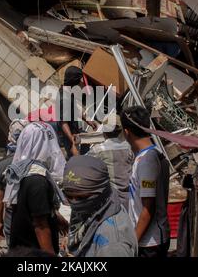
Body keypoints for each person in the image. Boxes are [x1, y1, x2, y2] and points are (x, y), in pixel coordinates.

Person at [4, 122, 69, 255]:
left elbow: (33, 208)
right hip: (32, 251)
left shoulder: (25, 170)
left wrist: (54, 216)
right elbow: (40, 225)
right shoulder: (37, 180)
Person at [62, 155, 138, 257]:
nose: (74, 203)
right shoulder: (98, 207)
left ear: (101, 192)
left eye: (82, 198)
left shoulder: (112, 244)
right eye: (69, 196)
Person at [120, 106, 170, 258]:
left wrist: (132, 243)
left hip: (150, 243)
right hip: (150, 239)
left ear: (126, 132)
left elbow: (148, 209)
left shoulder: (147, 162)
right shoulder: (149, 155)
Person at [0, 119, 29, 246]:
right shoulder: (38, 162)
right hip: (35, 217)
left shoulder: (1, 165)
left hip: (12, 219)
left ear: (10, 136)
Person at [87, 114, 134, 208]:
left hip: (111, 198)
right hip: (130, 195)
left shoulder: (98, 150)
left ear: (104, 131)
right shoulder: (129, 147)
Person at [56, 66, 96, 157]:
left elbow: (74, 109)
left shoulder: (69, 92)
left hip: (75, 131)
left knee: (86, 150)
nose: (81, 82)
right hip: (68, 137)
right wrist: (72, 139)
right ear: (74, 81)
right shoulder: (64, 98)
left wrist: (87, 120)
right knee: (75, 159)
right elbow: (63, 122)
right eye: (79, 80)